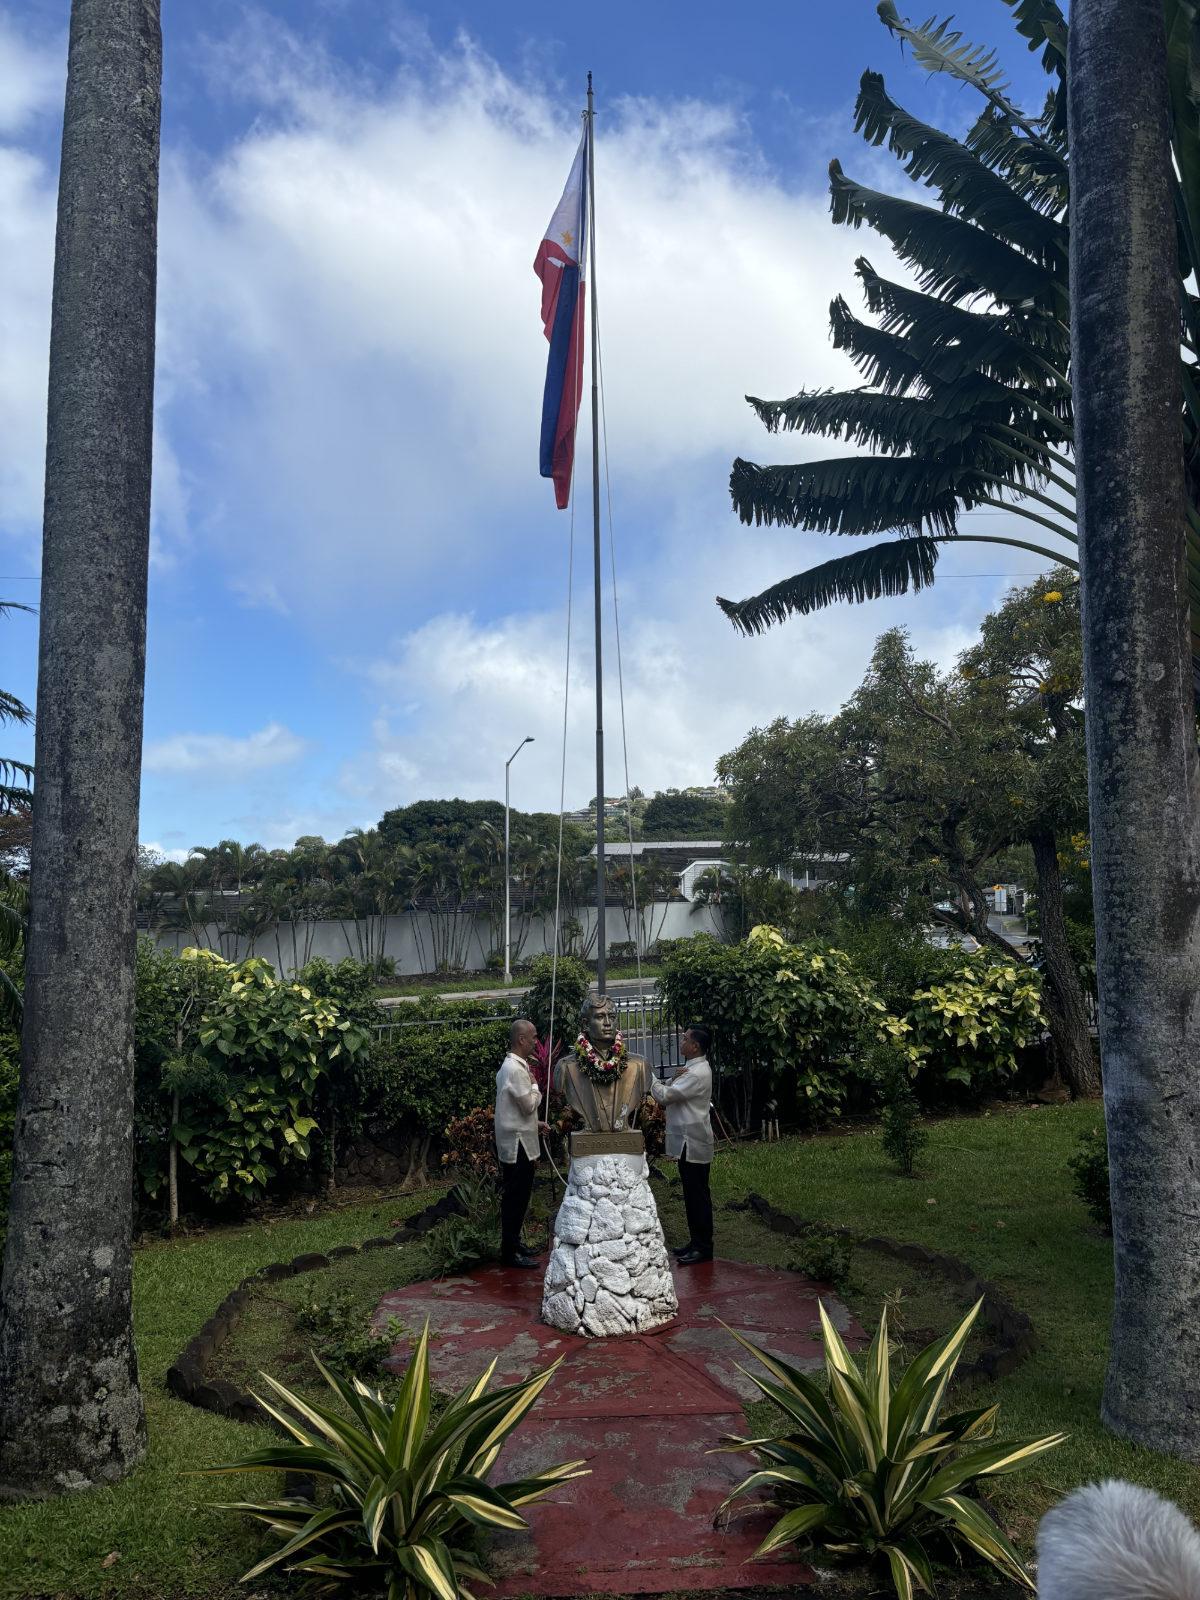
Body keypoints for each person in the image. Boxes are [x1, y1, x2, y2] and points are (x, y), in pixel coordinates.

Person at [650, 1024, 713, 1265]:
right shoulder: (691, 1068)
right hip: (688, 1141)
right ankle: (696, 1242)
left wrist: (649, 1077)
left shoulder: (697, 1073)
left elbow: (665, 1096)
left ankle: (703, 1247)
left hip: (694, 1142)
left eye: (685, 1038)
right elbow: (672, 1086)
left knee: (697, 1195)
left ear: (695, 1046)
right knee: (691, 1194)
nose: (681, 1041)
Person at [494, 1017, 548, 1269]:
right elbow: (527, 1104)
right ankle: (509, 1252)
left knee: (520, 1196)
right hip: (517, 1145)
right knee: (515, 1198)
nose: (536, 1042)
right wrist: (537, 1088)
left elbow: (512, 1108)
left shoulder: (516, 1065)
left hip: (519, 1138)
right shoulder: (515, 1069)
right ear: (521, 1039)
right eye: (534, 1037)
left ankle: (514, 1244)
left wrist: (536, 1125)